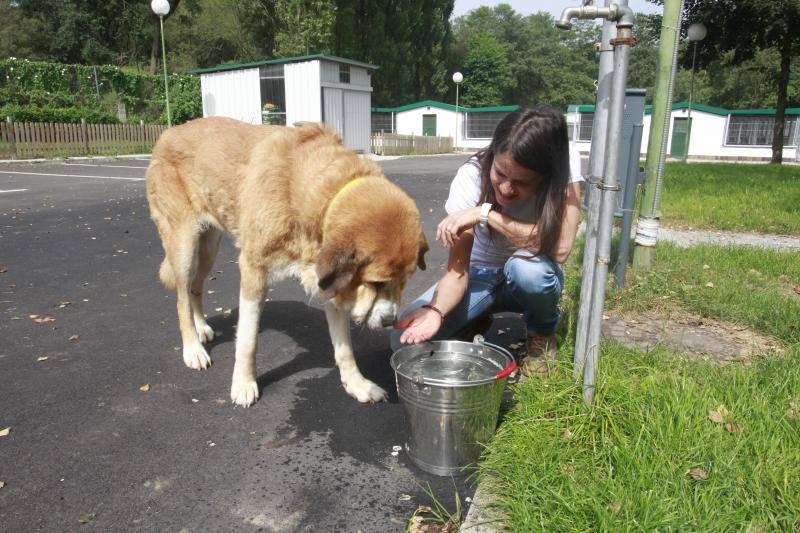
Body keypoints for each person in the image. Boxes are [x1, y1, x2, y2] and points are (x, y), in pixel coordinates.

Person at [390, 106, 583, 376]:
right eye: (500, 173)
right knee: (401, 342)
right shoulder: (470, 177)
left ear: (545, 175)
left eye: (521, 182)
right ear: (492, 156)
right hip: (480, 278)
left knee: (526, 270)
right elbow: (458, 273)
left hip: (530, 274)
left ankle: (542, 331)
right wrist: (436, 310)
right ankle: (473, 317)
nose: (505, 188)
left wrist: (486, 214)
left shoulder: (566, 164)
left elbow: (561, 248)